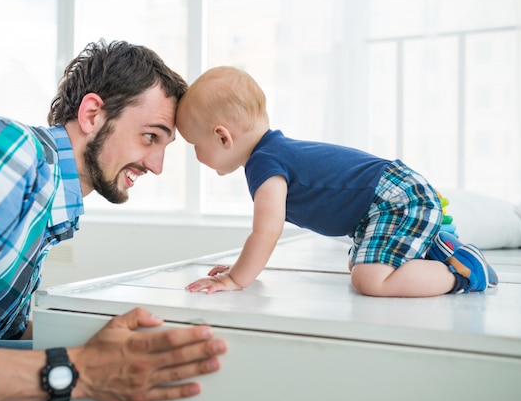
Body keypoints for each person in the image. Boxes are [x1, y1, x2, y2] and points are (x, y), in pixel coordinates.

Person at [0, 40, 226, 401]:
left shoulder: (49, 201)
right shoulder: (11, 154)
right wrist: (81, 371)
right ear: (92, 114)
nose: (156, 165)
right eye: (150, 137)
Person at [176, 65, 498, 297]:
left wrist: (236, 278)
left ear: (223, 137)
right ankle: (437, 251)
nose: (195, 154)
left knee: (370, 279)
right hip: (386, 201)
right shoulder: (274, 153)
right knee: (361, 266)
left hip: (395, 199)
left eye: (194, 144)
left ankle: (464, 272)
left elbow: (266, 231)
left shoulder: (266, 163)